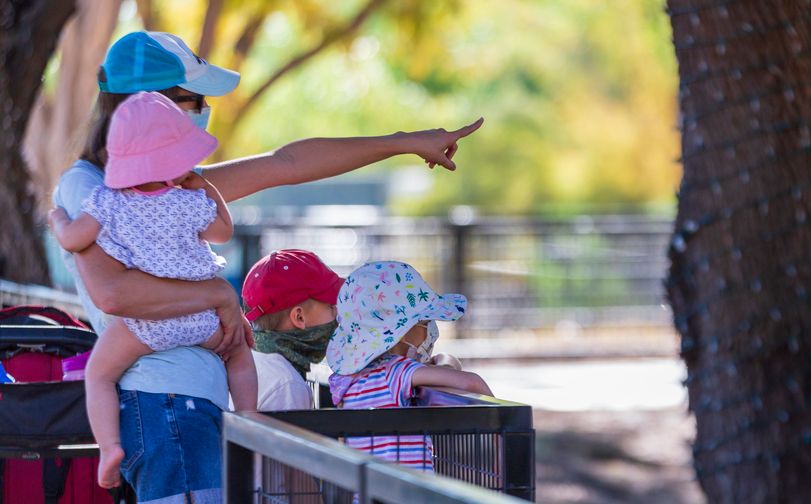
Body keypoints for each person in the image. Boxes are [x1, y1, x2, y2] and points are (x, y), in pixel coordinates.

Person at [53, 30, 483, 503]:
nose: (202, 113)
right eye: (193, 101)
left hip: (192, 401)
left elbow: (287, 163)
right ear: (148, 107)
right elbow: (113, 293)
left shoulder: (168, 185)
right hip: (163, 404)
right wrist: (217, 296)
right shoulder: (89, 188)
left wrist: (404, 142)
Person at [49, 91, 258, 489]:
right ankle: (249, 424)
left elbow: (75, 239)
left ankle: (109, 447)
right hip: (203, 319)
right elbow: (224, 231)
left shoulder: (106, 201)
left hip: (148, 324)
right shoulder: (186, 201)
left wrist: (57, 218)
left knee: (98, 374)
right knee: (239, 352)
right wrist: (206, 188)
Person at [326, 261, 493, 472]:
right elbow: (471, 382)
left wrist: (438, 364)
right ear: (403, 331)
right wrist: (503, 430)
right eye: (425, 321)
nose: (430, 329)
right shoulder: (395, 372)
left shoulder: (349, 380)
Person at [239, 249, 343, 411]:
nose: (337, 313)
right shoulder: (286, 385)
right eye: (331, 306)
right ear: (299, 317)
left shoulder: (243, 362)